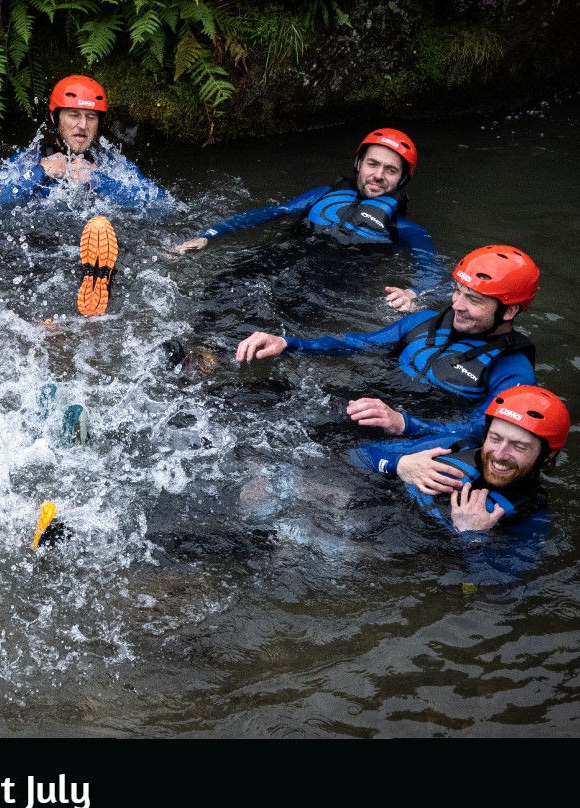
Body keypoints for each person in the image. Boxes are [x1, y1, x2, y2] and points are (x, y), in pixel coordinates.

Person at [235, 244, 539, 443]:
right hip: (368, 406)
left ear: (510, 310)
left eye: (473, 299)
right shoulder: (423, 321)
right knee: (258, 396)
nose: (457, 304)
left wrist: (403, 424)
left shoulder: (513, 371)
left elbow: (482, 431)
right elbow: (357, 343)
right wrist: (289, 343)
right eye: (458, 291)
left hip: (412, 437)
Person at [173, 127, 441, 310]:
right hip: (283, 254)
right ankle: (196, 348)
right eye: (373, 164)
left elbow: (432, 272)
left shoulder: (407, 229)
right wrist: (210, 234)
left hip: (329, 283)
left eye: (390, 170)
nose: (379, 175)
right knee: (225, 284)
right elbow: (271, 213)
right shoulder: (323, 196)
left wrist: (412, 293)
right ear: (359, 163)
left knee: (272, 313)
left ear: (402, 179)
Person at [353, 385, 568, 583]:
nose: (499, 455)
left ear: (548, 456)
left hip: (394, 560)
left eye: (519, 446)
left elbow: (494, 589)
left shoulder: (531, 515)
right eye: (494, 438)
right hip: (358, 508)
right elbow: (353, 454)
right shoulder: (453, 447)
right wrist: (399, 464)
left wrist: (473, 536)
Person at [0, 75, 174, 211]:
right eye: (73, 115)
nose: (82, 125)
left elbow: (163, 205)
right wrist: (41, 172)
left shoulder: (109, 162)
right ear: (54, 118)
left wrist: (95, 179)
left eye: (91, 117)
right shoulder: (32, 159)